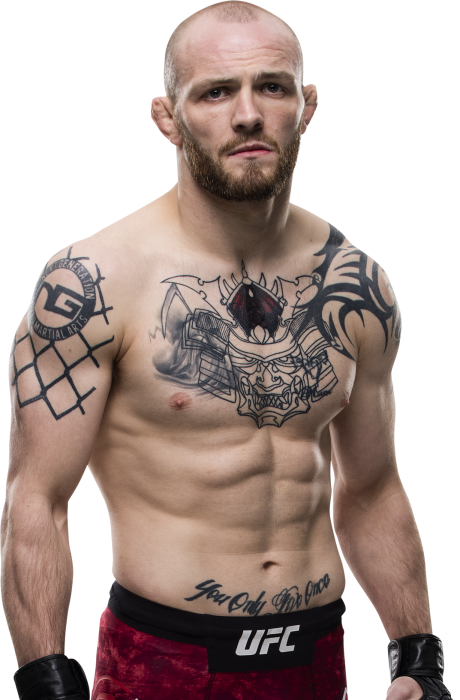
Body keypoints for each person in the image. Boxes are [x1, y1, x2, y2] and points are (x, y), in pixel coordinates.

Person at [3, 2, 453, 699]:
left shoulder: (354, 283)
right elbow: (39, 499)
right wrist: (48, 683)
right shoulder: (96, 282)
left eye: (271, 87)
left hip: (317, 656)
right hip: (162, 663)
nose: (248, 115)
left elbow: (371, 489)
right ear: (165, 121)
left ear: (306, 107)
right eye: (215, 92)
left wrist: (418, 654)